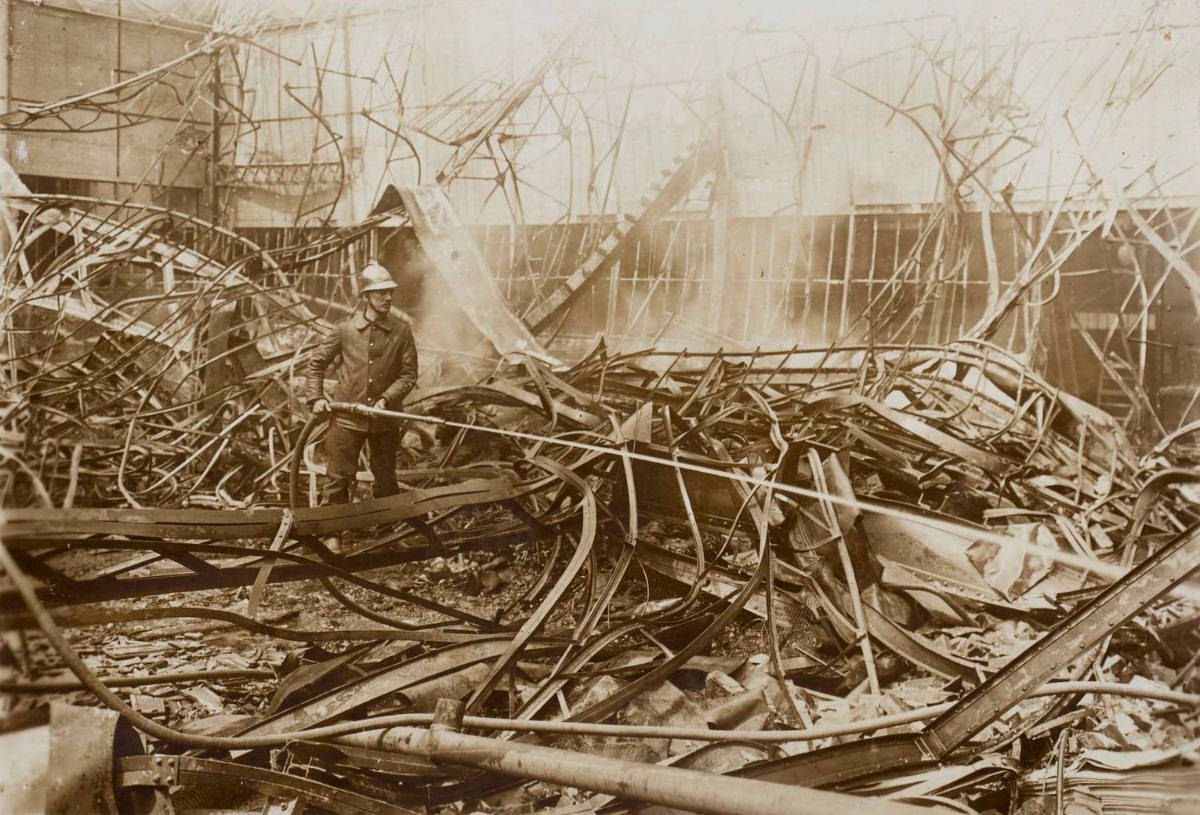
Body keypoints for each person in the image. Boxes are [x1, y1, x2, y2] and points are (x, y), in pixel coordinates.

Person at [305, 261, 418, 518]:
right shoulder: (345, 330)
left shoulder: (402, 333)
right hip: (346, 419)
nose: (387, 297)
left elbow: (408, 375)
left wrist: (386, 400)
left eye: (389, 292)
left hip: (385, 420)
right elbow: (315, 365)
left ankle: (385, 530)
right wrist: (315, 398)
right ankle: (333, 535)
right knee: (338, 480)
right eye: (380, 293)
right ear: (366, 297)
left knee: (387, 480)